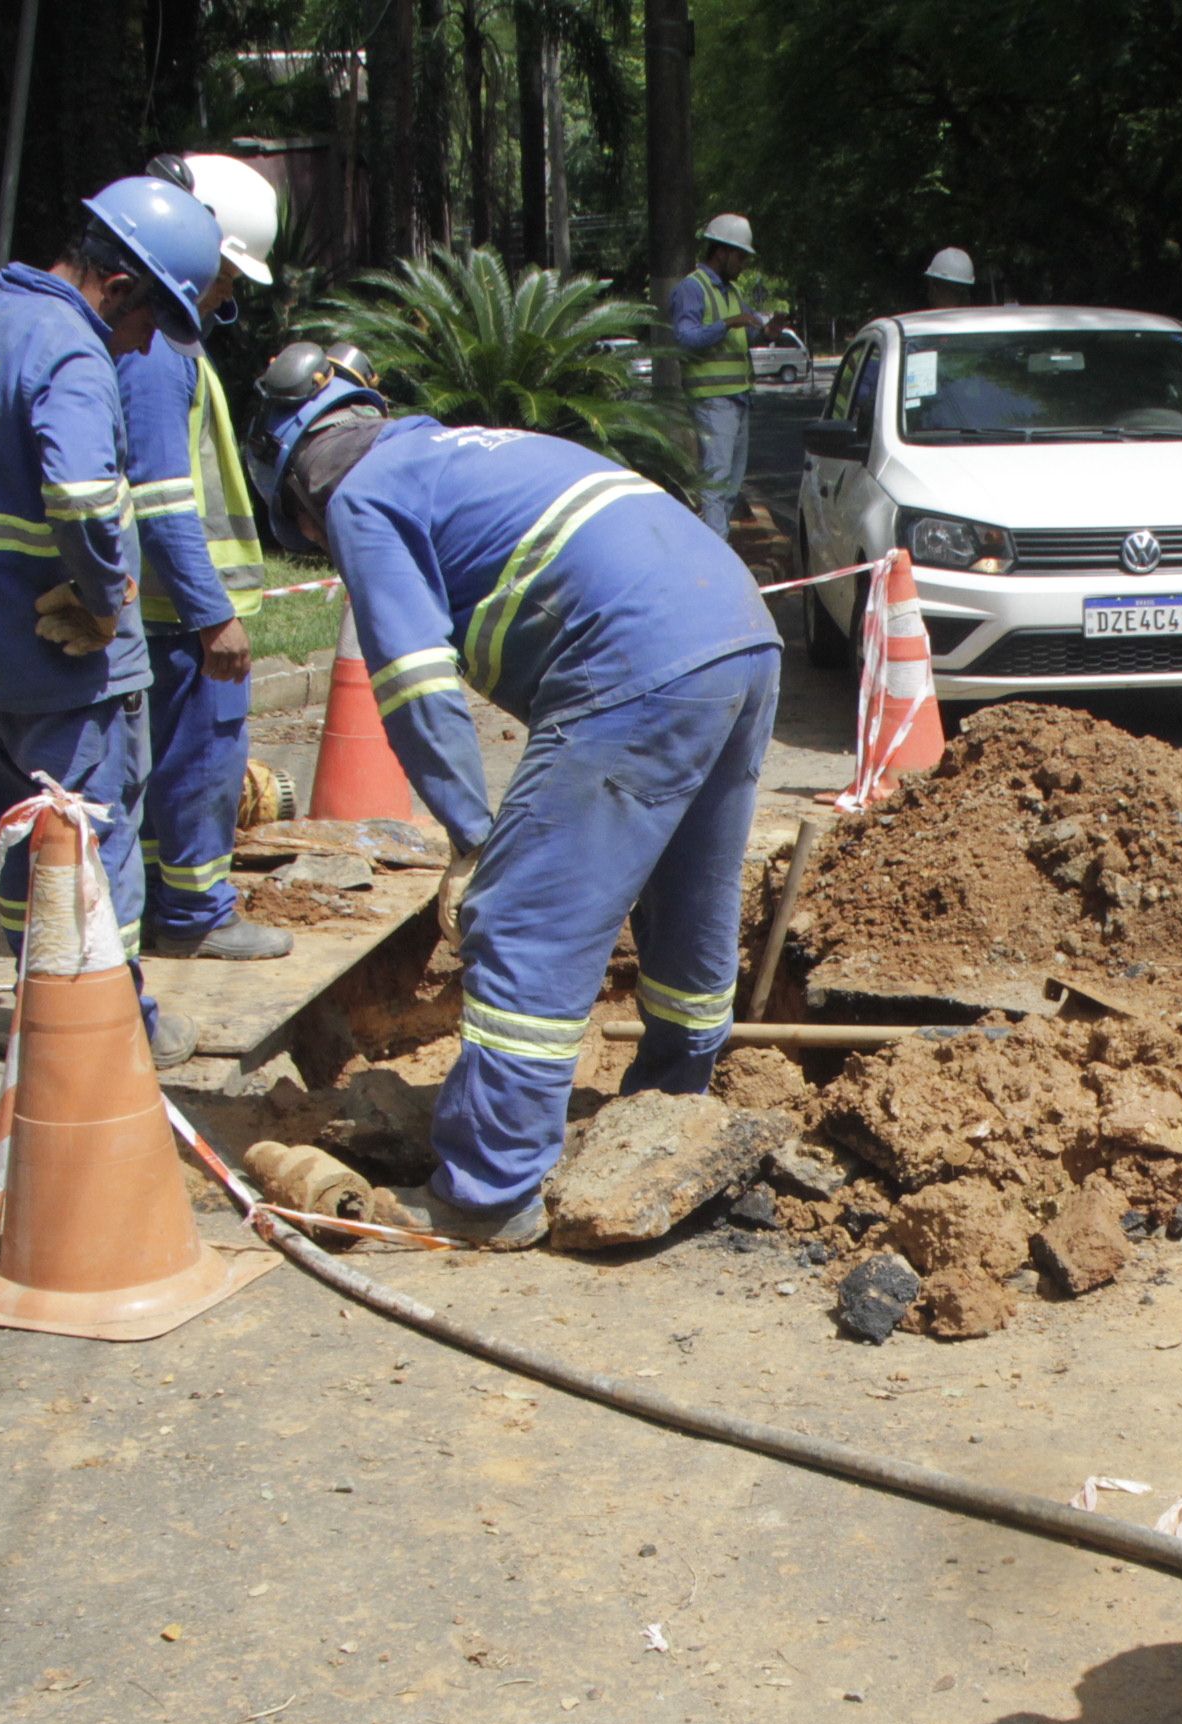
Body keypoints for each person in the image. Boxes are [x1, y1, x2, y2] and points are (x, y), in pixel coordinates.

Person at [252, 349, 783, 1247]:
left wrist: (472, 837)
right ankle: (671, 1110)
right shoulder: (456, 453)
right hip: (739, 630)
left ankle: (489, 1192)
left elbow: (414, 679)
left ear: (299, 495)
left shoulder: (361, 497)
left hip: (637, 654)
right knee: (688, 895)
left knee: (522, 916)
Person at [0, 175, 226, 1066]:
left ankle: (41, 1008)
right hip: (68, 667)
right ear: (118, 287)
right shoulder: (71, 353)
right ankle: (113, 1034)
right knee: (93, 849)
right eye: (150, 321)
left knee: (25, 842)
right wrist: (100, 594)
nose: (145, 344)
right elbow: (84, 498)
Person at [120, 151, 292, 964]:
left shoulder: (159, 345)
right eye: (224, 275)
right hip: (181, 613)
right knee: (200, 763)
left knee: (166, 765)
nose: (226, 295)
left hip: (163, 607)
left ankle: (165, 902)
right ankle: (194, 914)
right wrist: (211, 612)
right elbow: (163, 498)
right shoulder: (159, 354)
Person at [667, 213, 773, 537]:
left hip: (738, 400)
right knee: (716, 484)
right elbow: (685, 338)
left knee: (730, 485)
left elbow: (747, 332)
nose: (743, 264)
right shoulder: (693, 288)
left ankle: (718, 546)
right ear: (722, 251)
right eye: (740, 256)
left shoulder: (732, 292)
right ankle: (717, 555)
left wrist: (767, 332)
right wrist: (726, 324)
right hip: (712, 401)